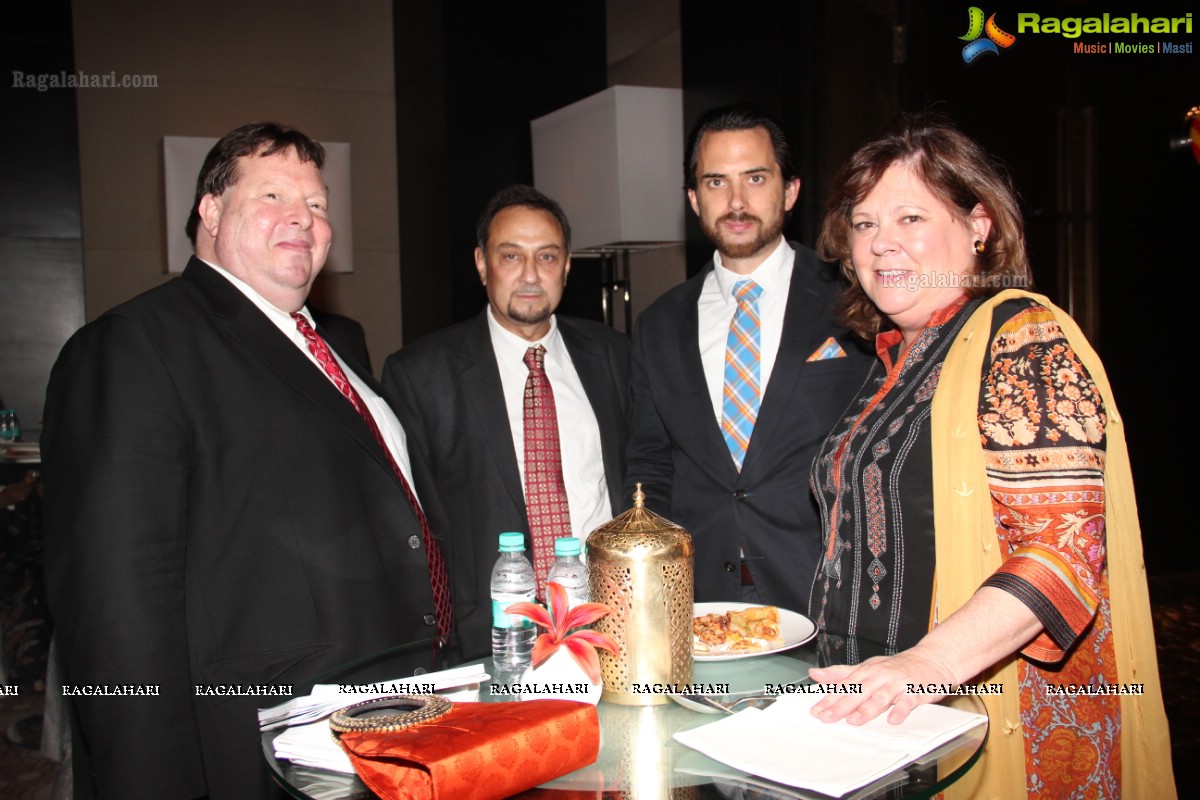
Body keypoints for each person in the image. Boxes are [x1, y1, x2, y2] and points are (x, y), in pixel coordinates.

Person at [42, 122, 452, 799]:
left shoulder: (341, 342)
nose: (304, 218)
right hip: (252, 750)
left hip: (388, 723)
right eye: (272, 196)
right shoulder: (133, 347)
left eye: (318, 205)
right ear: (209, 211)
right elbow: (116, 607)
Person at [806, 112, 1174, 798]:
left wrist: (924, 665)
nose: (880, 242)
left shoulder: (1022, 339)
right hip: (885, 721)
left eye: (910, 217)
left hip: (994, 722)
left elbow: (1063, 552)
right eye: (863, 223)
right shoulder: (900, 359)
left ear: (978, 226)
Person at [625, 104, 871, 609]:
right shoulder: (659, 324)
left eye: (755, 178)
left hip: (830, 587)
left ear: (790, 190)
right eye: (716, 183)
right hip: (700, 597)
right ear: (694, 199)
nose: (736, 201)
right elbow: (650, 462)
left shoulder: (856, 299)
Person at [382, 185, 630, 660]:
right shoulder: (419, 374)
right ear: (481, 263)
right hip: (491, 638)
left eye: (548, 257)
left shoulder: (614, 356)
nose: (531, 276)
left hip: (612, 622)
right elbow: (410, 531)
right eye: (511, 256)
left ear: (568, 265)